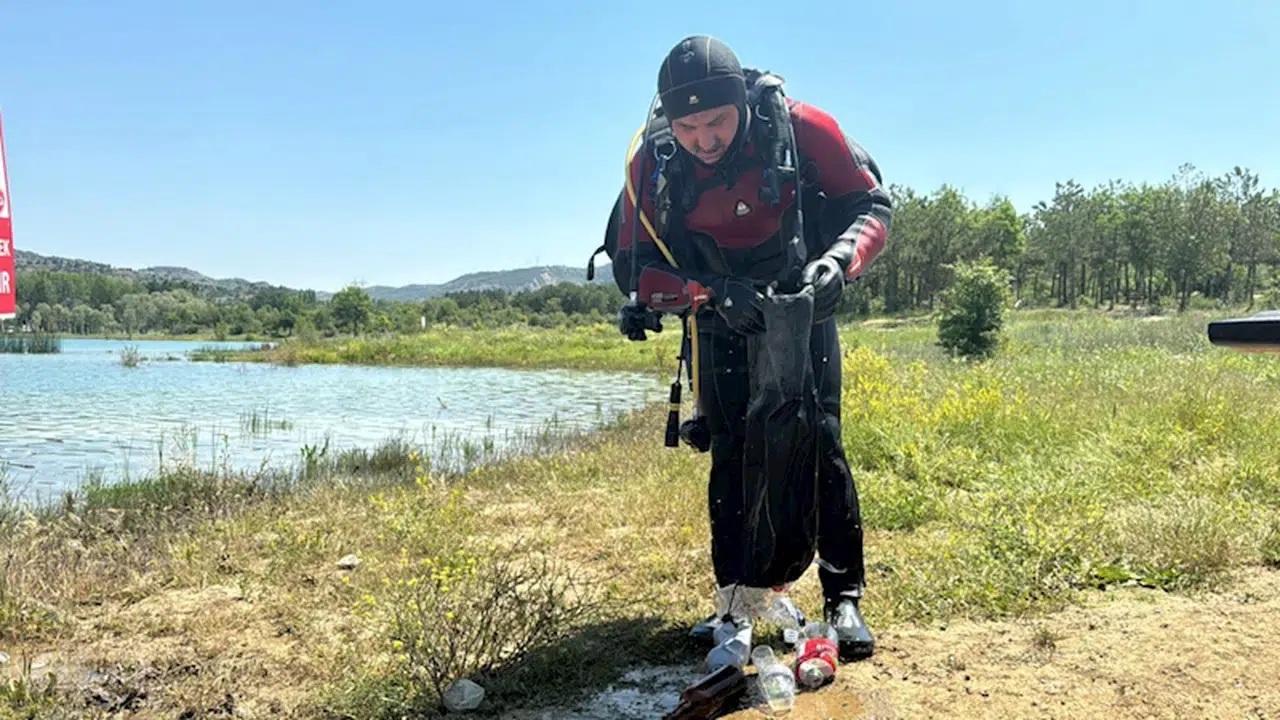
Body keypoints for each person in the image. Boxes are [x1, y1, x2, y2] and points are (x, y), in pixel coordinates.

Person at [604, 34, 891, 662]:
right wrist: (706, 294)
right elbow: (637, 271)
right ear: (667, 120)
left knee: (820, 439)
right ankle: (734, 599)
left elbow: (872, 206)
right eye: (688, 126)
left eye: (717, 121)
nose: (704, 140)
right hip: (716, 312)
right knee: (731, 453)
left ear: (742, 103)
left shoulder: (802, 129)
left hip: (800, 302)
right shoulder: (651, 162)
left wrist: (840, 263)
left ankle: (843, 598)